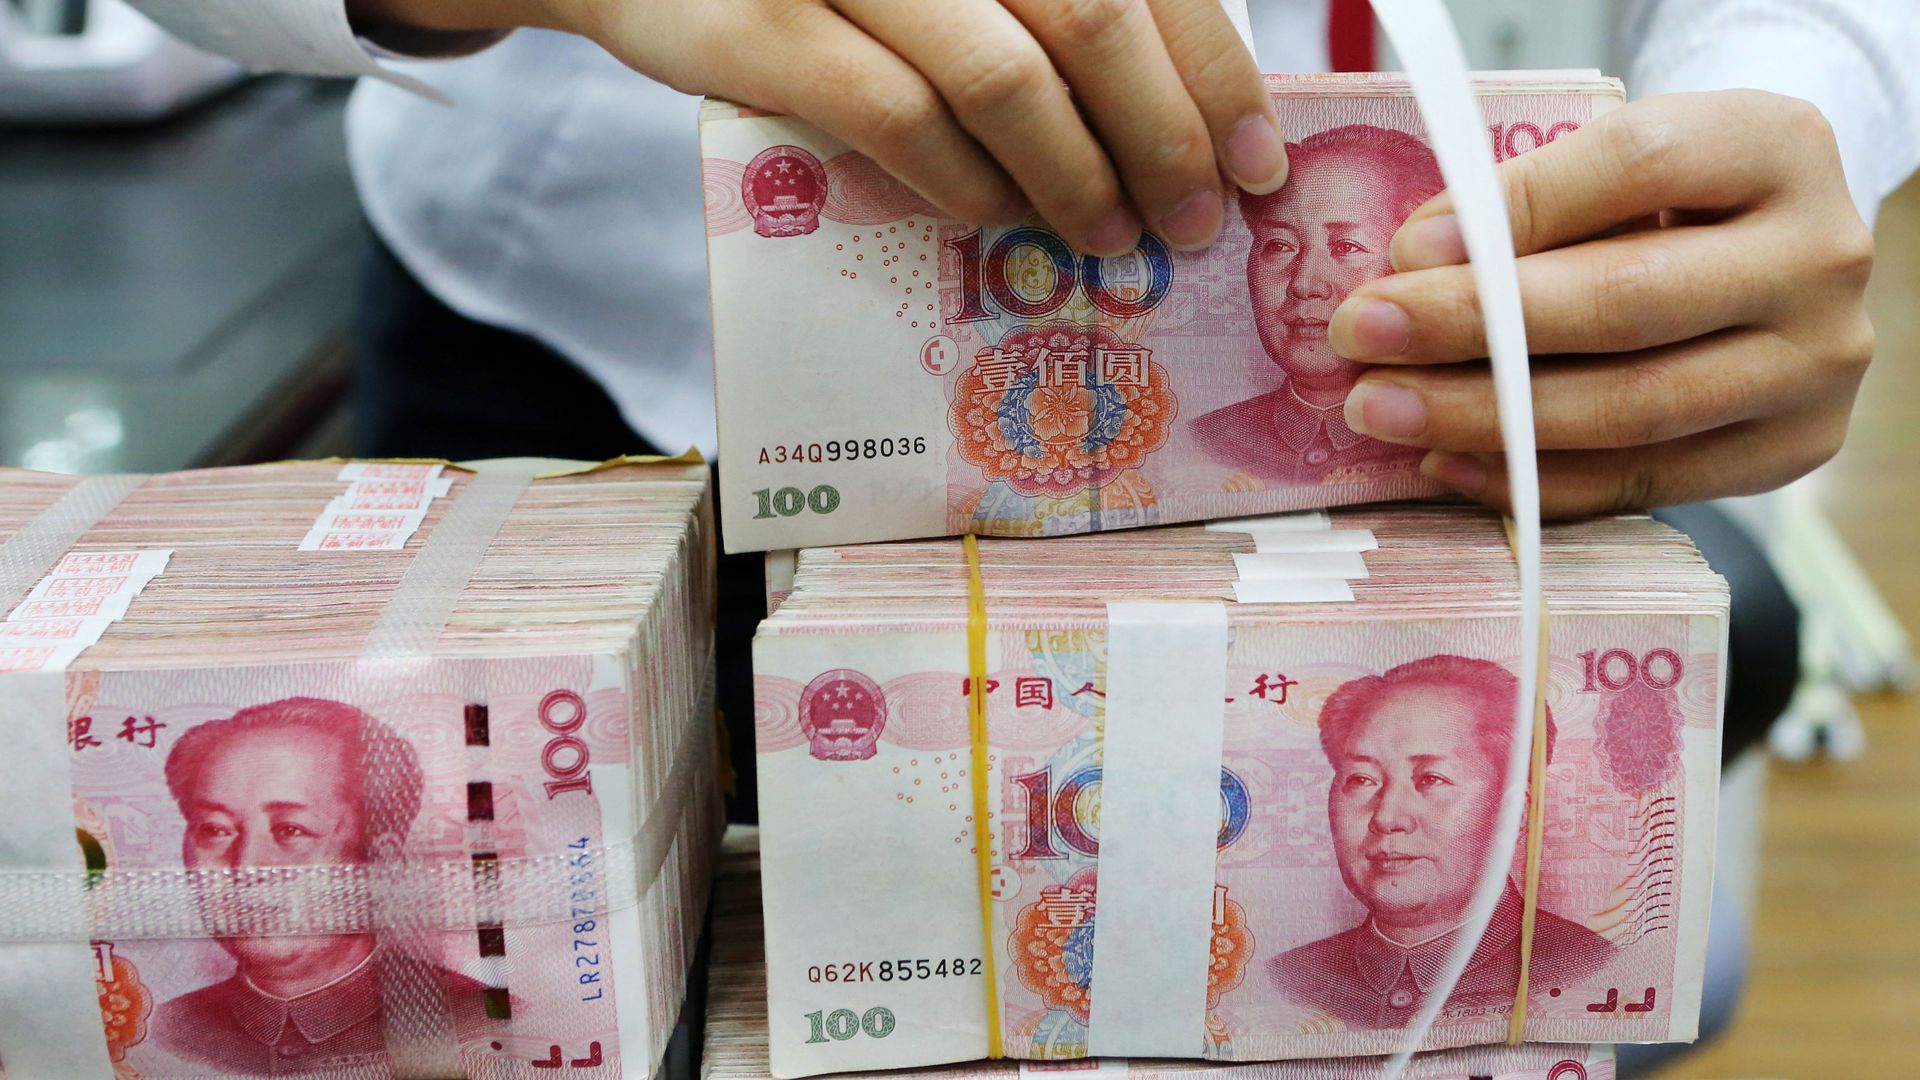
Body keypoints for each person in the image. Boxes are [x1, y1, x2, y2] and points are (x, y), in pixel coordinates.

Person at [1267, 655, 1616, 1029]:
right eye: (1362, 779)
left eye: (1431, 779)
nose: (1387, 818)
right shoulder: (1286, 981)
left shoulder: (1589, 969)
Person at [152, 697, 497, 1075]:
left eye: (290, 830)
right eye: (216, 829)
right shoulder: (164, 1032)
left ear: (381, 857)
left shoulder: (483, 1023)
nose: (246, 867)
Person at [1192, 122, 1441, 486]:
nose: (1304, 284)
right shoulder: (1204, 443)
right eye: (1279, 246)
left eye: (1346, 247)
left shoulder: (1447, 452)